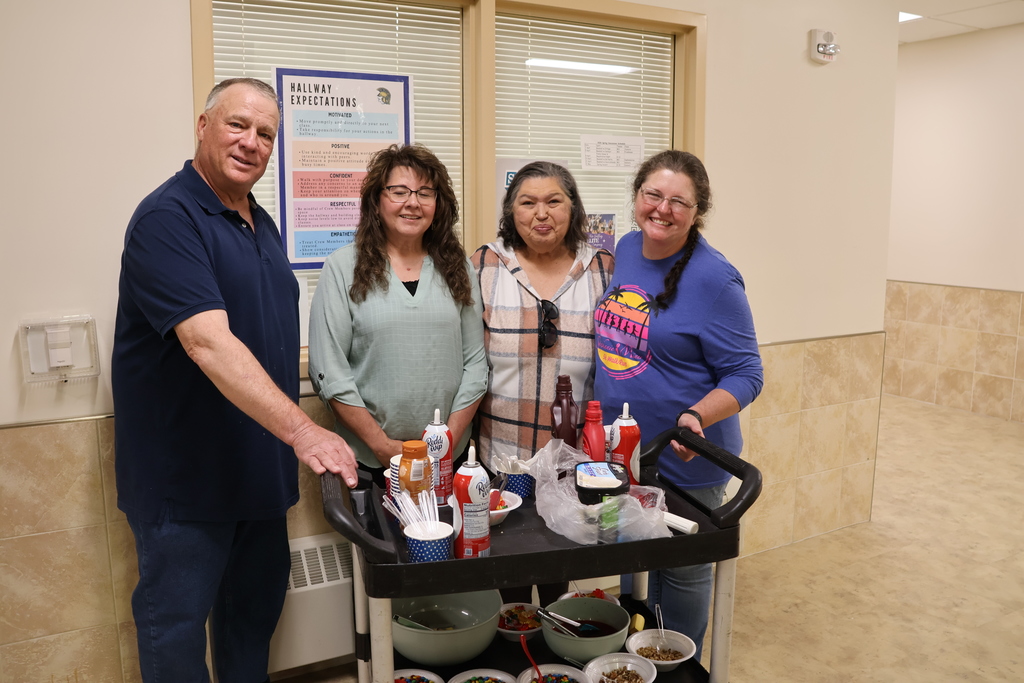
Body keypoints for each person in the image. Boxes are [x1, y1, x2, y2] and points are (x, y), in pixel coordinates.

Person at [112, 78, 358, 683]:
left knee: (251, 626)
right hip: (185, 488)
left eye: (266, 134)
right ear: (202, 126)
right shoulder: (167, 219)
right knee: (175, 635)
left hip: (257, 478)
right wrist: (305, 433)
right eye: (237, 125)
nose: (251, 143)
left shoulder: (258, 221)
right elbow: (208, 343)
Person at [593, 150, 763, 657]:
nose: (662, 209)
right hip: (626, 453)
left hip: (687, 455)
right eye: (652, 195)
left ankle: (673, 664)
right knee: (634, 560)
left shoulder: (715, 279)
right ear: (637, 197)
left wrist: (696, 416)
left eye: (678, 201)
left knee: (683, 573)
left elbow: (748, 373)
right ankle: (633, 658)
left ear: (697, 211)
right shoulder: (624, 249)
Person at [472, 161, 613, 605]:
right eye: (527, 202)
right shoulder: (485, 265)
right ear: (510, 211)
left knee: (560, 568)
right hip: (503, 456)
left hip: (574, 459)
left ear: (574, 209)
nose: (541, 213)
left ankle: (554, 664)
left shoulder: (603, 270)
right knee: (509, 574)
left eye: (554, 201)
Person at [309, 144, 487, 482]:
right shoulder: (342, 267)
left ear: (439, 203)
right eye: (399, 191)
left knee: (449, 535)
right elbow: (329, 371)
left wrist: (447, 437)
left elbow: (475, 364)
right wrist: (380, 444)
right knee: (381, 536)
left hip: (449, 454)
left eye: (425, 193)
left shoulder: (457, 267)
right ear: (377, 200)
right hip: (372, 457)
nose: (413, 202)